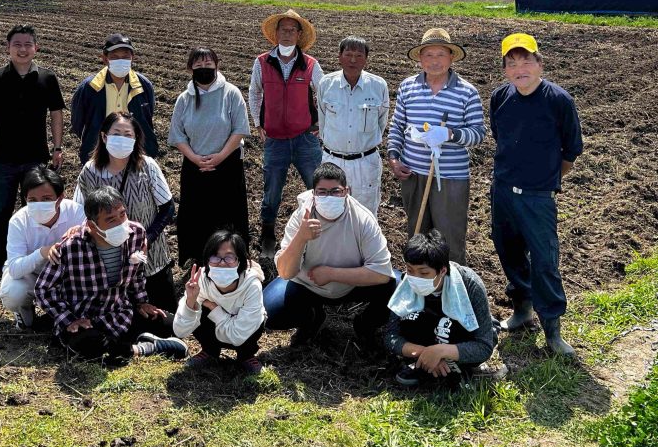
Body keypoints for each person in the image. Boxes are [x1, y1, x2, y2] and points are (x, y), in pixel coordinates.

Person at [490, 32, 583, 356]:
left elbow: (571, 151)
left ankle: (553, 329)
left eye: (526, 60)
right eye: (512, 63)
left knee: (544, 261)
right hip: (502, 191)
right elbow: (499, 136)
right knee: (509, 253)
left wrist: (544, 180)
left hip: (537, 196)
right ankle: (522, 310)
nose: (520, 68)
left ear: (540, 63)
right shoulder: (500, 98)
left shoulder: (558, 100)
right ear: (505, 70)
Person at [34, 186, 187, 363]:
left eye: (123, 215)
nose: (120, 223)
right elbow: (43, 288)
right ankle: (145, 348)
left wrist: (141, 302)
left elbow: (137, 273)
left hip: (120, 313)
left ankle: (125, 344)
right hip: (85, 320)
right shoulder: (70, 247)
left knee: (172, 325)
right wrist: (68, 320)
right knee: (90, 346)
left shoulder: (136, 234)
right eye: (111, 220)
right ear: (92, 225)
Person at [263, 162, 396, 348]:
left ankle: (365, 325)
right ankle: (312, 318)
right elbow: (285, 272)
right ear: (313, 193)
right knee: (269, 312)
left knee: (396, 285)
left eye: (336, 191)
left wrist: (332, 274)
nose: (329, 197)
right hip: (307, 286)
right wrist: (300, 238)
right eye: (322, 192)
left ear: (346, 191)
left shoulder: (363, 219)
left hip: (352, 286)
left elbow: (382, 272)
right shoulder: (301, 217)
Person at [0, 24, 65, 283]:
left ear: (36, 48)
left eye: (27, 45)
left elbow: (56, 114)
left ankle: (34, 262)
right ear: (8, 48)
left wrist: (58, 148)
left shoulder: (47, 78)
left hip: (36, 159)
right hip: (3, 158)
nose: (22, 49)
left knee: (36, 212)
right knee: (1, 212)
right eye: (17, 45)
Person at [386, 28, 485, 265]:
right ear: (420, 59)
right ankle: (421, 286)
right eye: (428, 55)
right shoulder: (408, 87)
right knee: (418, 234)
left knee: (449, 238)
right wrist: (393, 158)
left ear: (451, 57)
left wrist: (450, 133)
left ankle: (451, 290)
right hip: (413, 174)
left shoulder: (467, 92)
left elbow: (478, 134)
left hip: (450, 177)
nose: (434, 61)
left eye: (440, 54)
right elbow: (397, 125)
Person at [73, 112, 177, 311]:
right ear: (104, 137)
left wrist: (147, 238)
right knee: (124, 321)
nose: (122, 139)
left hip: (151, 257)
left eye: (128, 135)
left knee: (164, 317)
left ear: (136, 138)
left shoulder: (147, 167)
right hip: (111, 263)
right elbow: (82, 214)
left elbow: (167, 207)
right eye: (116, 133)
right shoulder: (90, 172)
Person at [248, 9, 324, 258]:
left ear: (299, 34)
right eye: (284, 30)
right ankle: (268, 235)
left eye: (293, 30)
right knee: (271, 192)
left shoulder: (311, 64)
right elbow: (254, 93)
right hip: (275, 140)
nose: (288, 34)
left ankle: (321, 235)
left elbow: (323, 95)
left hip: (304, 138)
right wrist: (259, 122)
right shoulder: (262, 62)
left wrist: (319, 125)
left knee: (318, 188)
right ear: (276, 33)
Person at [384, 230, 499, 389]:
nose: (415, 278)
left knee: (450, 327)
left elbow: (484, 345)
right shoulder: (406, 284)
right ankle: (428, 366)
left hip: (455, 339)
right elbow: (391, 335)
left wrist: (441, 351)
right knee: (413, 320)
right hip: (425, 344)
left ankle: (458, 367)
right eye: (410, 270)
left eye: (424, 273)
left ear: (443, 271)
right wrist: (425, 354)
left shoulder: (470, 285)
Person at [169, 47, 251, 265]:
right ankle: (196, 257)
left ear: (217, 66)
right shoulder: (184, 99)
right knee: (195, 213)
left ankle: (233, 258)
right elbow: (178, 135)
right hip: (195, 164)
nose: (204, 70)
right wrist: (195, 158)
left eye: (208, 65)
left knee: (228, 213)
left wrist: (220, 157)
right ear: (190, 69)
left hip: (227, 164)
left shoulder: (231, 93)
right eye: (198, 66)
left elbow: (240, 129)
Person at [0, 165, 85, 329]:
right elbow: (15, 268)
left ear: (60, 198)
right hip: (31, 274)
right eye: (32, 200)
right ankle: (24, 312)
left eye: (46, 199)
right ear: (25, 199)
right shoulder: (19, 221)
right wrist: (42, 253)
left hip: (66, 274)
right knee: (13, 293)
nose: (39, 204)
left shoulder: (76, 212)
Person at [173, 230, 266, 374]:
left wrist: (214, 308)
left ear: (239, 260)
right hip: (219, 329)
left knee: (254, 323)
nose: (222, 263)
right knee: (199, 309)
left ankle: (246, 356)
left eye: (229, 257)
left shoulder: (251, 285)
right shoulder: (200, 281)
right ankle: (209, 351)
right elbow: (180, 330)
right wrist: (190, 302)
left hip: (243, 336)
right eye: (215, 257)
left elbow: (236, 336)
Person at [316, 36, 390, 215]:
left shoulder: (378, 85)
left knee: (365, 215)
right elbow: (322, 118)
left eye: (359, 55)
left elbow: (382, 122)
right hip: (333, 161)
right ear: (339, 57)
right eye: (348, 54)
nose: (353, 60)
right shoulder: (326, 84)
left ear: (366, 58)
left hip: (365, 162)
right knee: (330, 212)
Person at [70, 33, 157, 164]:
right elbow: (78, 123)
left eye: (125, 57)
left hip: (136, 155)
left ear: (133, 58)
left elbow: (149, 115)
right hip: (99, 156)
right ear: (105, 59)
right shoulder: (89, 87)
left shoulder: (144, 86)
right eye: (115, 57)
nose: (120, 61)